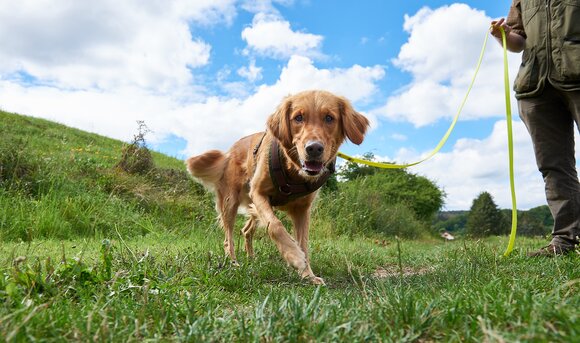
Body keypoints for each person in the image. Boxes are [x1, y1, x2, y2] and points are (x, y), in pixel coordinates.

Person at [490, 0, 579, 256]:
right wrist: (503, 35)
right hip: (536, 85)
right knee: (554, 166)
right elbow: (518, 40)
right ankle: (564, 241)